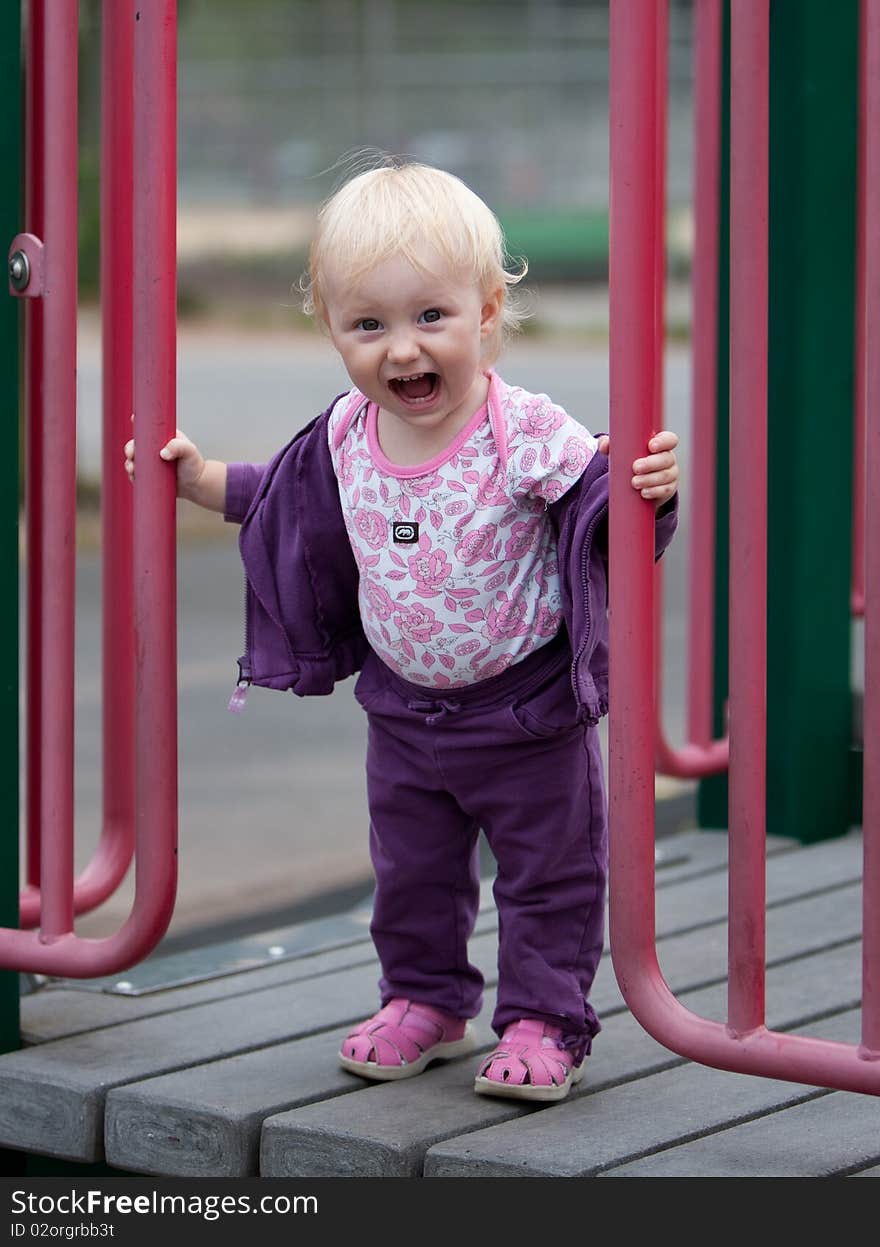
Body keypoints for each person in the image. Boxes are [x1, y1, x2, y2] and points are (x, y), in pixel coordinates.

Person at [125, 158, 679, 1104]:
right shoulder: (346, 434)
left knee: (549, 876)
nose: (402, 350)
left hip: (526, 713)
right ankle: (424, 998)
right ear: (332, 329)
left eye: (432, 317)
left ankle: (546, 1018)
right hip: (405, 715)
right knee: (412, 875)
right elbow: (281, 498)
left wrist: (647, 492)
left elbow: (606, 516)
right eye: (368, 324)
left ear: (489, 313)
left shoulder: (526, 431)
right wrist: (197, 478)